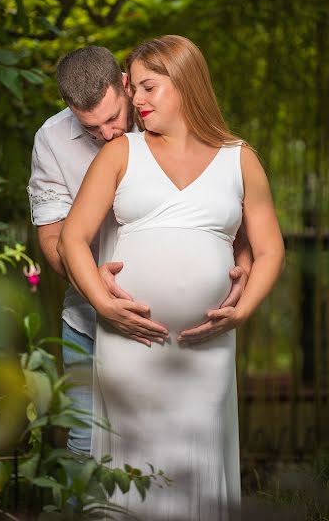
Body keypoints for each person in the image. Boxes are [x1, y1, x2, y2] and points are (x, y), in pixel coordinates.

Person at [58, 36, 285, 520]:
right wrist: (103, 302)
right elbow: (71, 239)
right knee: (131, 461)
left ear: (184, 83)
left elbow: (269, 250)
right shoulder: (120, 154)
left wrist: (241, 311)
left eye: (147, 87)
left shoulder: (239, 158)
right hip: (129, 345)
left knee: (195, 465)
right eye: (134, 88)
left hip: (206, 347)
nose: (135, 100)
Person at [28, 45, 252, 458]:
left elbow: (223, 211)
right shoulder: (52, 139)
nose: (107, 135)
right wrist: (97, 289)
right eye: (90, 128)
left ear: (125, 84)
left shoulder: (172, 121)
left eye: (112, 118)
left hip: (184, 337)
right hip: (87, 320)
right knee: (84, 445)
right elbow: (53, 238)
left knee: (173, 452)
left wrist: (243, 266)